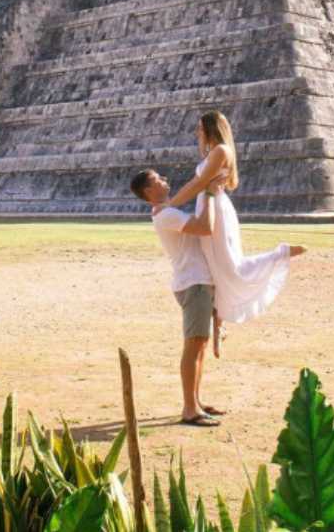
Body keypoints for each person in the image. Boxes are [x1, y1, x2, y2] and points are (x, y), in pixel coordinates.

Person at [162, 111, 305, 351]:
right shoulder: (214, 152)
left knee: (229, 266)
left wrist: (171, 203)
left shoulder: (220, 151)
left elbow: (198, 183)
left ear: (210, 128)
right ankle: (217, 325)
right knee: (213, 268)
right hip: (207, 206)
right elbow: (199, 184)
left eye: (200, 127)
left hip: (215, 210)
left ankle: (280, 254)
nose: (197, 132)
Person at [130, 167, 226, 427]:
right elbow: (205, 227)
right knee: (193, 346)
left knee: (201, 346)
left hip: (198, 281)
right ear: (149, 191)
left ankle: (195, 400)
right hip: (193, 283)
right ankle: (189, 409)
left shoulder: (167, 212)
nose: (165, 180)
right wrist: (207, 191)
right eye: (159, 179)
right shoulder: (167, 215)